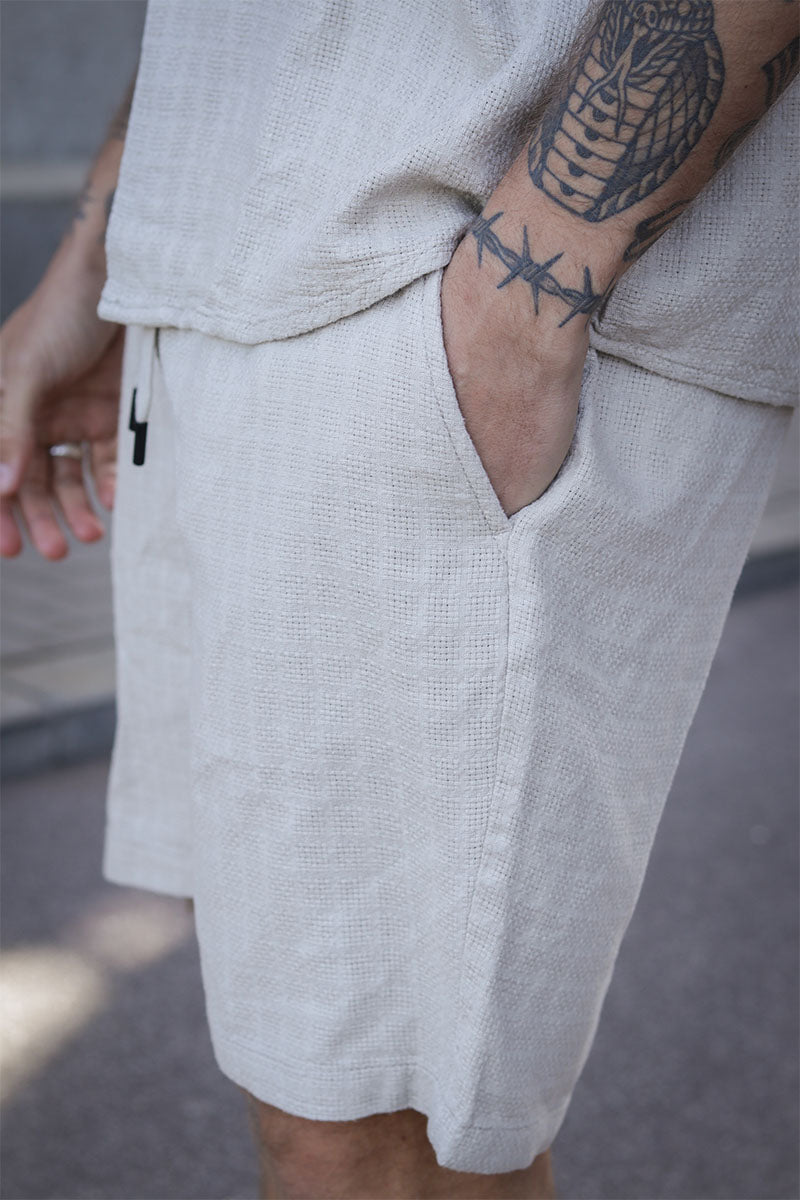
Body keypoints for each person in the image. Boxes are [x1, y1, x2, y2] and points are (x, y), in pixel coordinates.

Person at [1, 1, 797, 1196]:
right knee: (292, 1032)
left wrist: (523, 291)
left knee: (372, 1116)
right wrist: (105, 252)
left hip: (432, 271)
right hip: (217, 278)